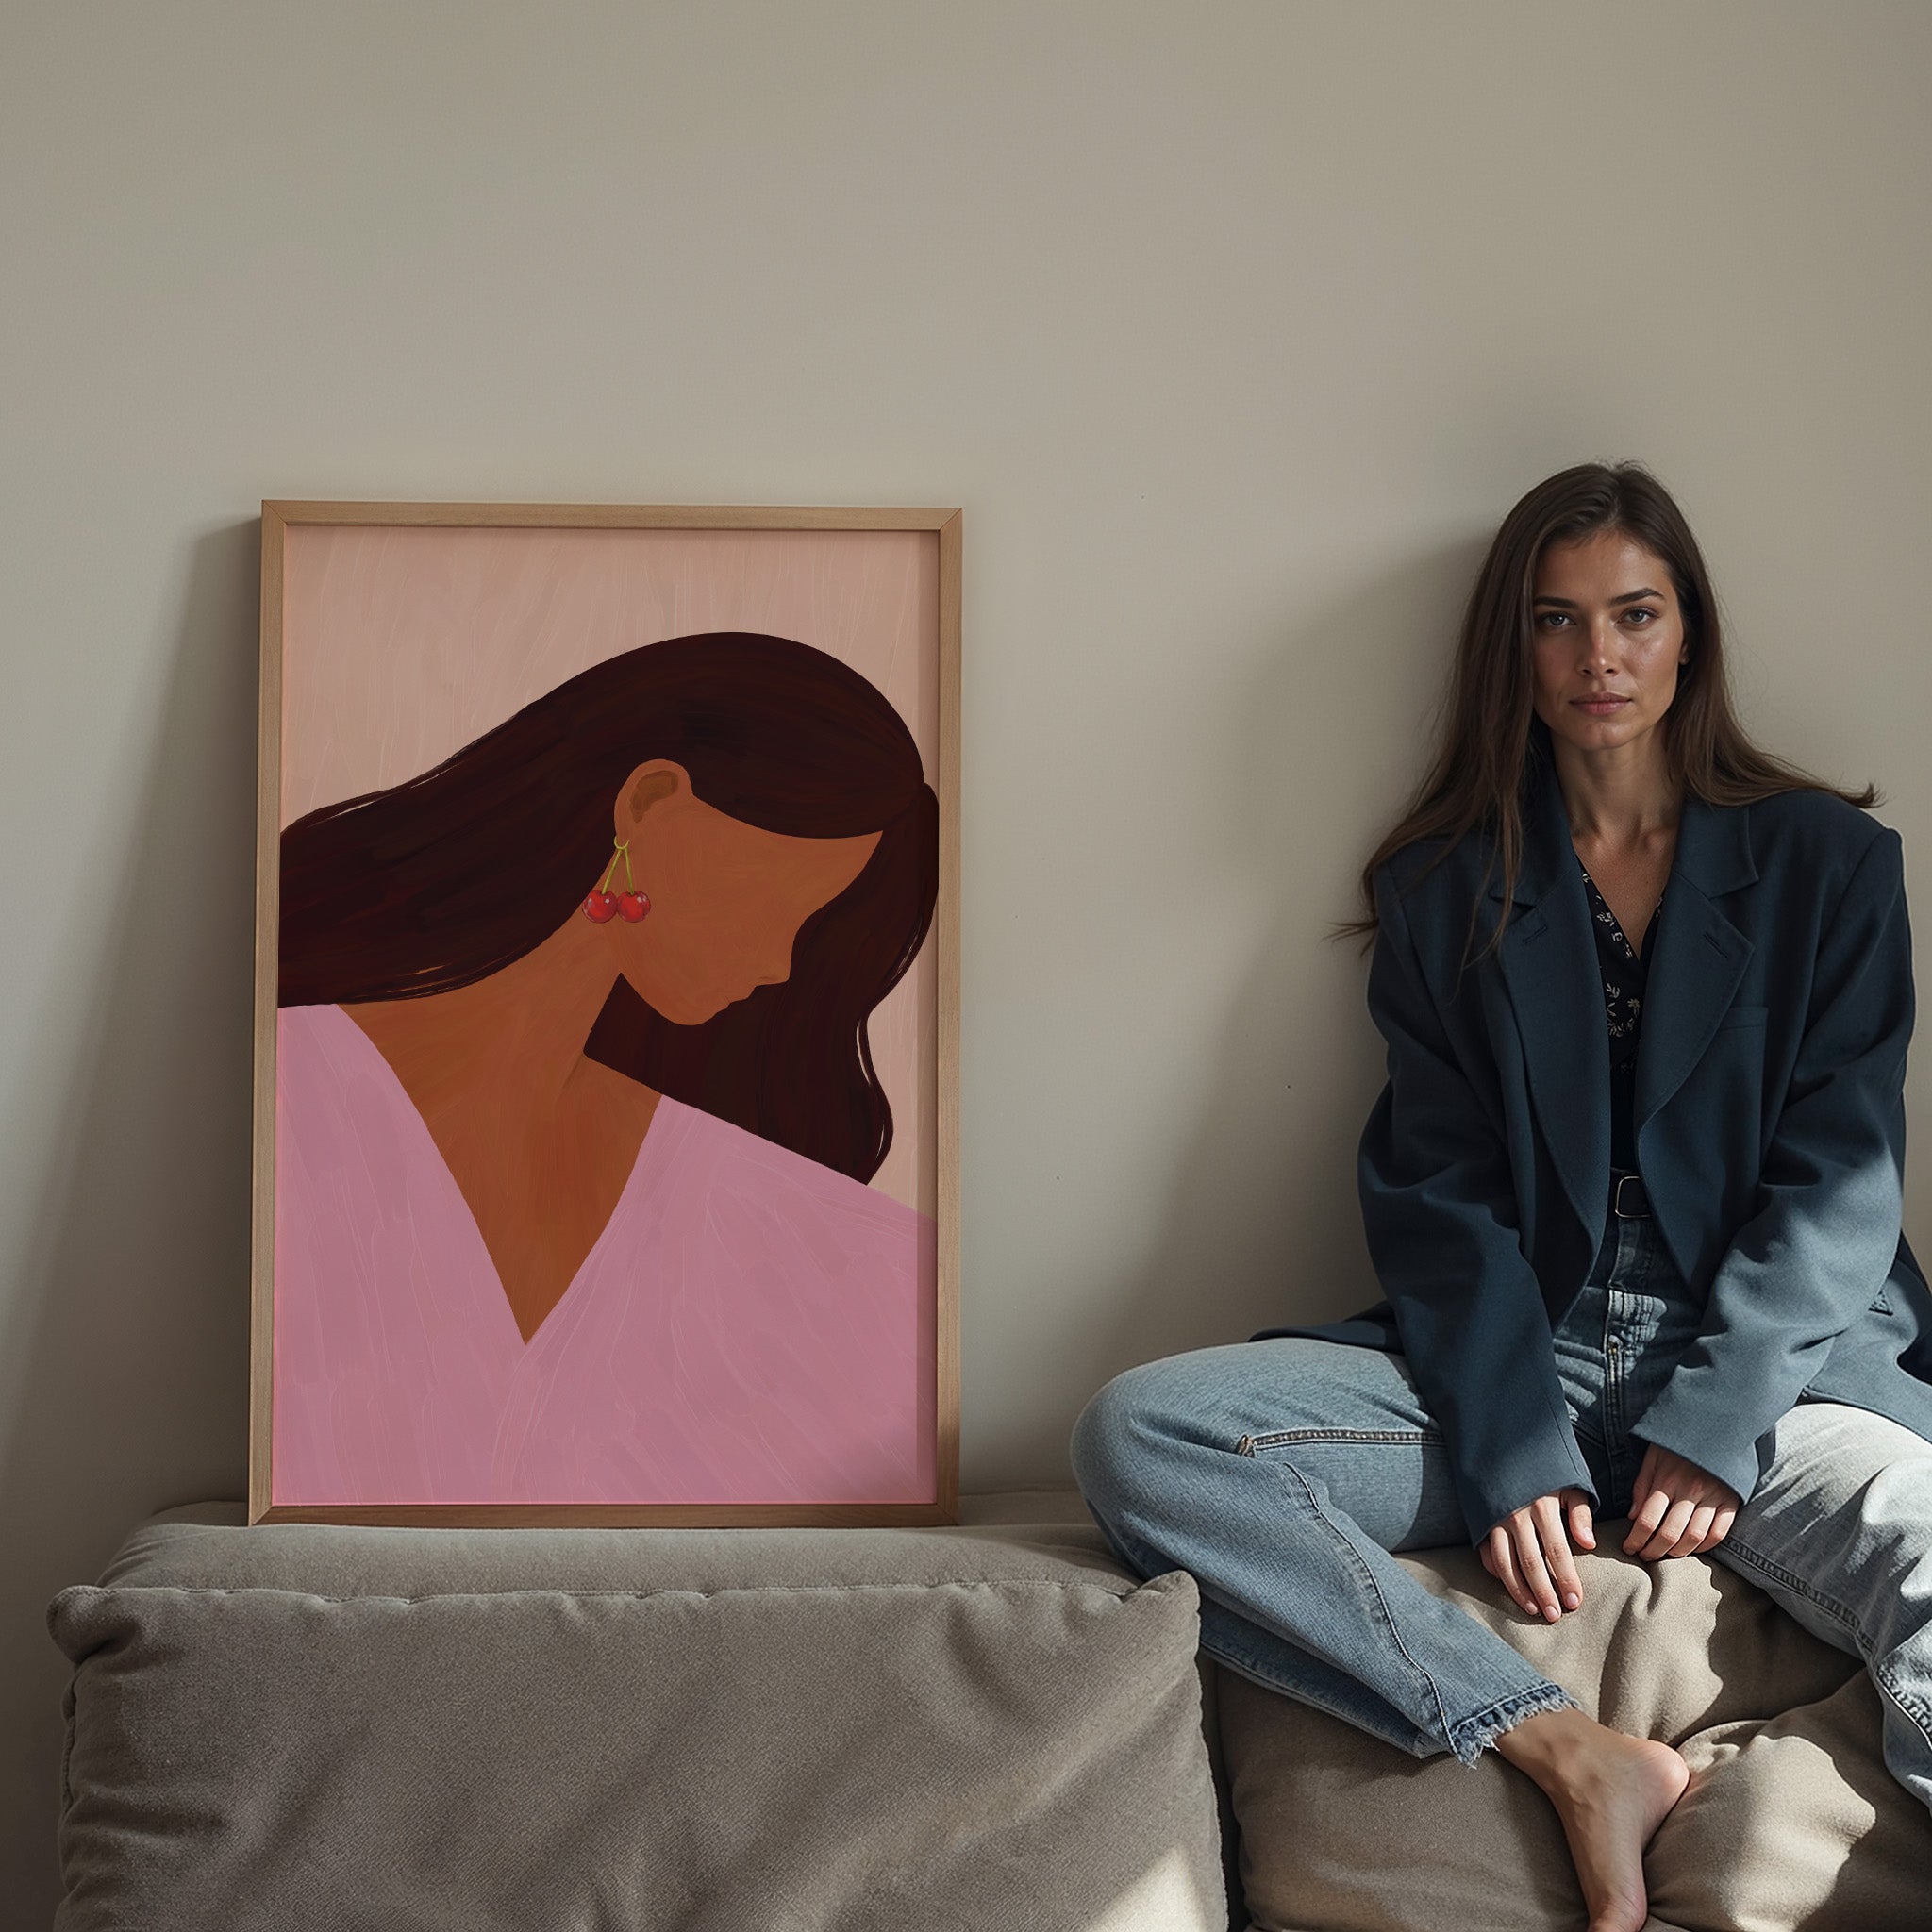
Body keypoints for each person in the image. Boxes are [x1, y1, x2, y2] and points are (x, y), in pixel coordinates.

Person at [1070, 463, 1932, 1932]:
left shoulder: (1829, 865)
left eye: (1635, 614)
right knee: (1141, 1435)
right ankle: (1565, 1750)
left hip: (1773, 1377)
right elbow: (1436, 1192)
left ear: (1689, 633)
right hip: (1525, 1356)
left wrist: (1717, 1419)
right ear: (1513, 649)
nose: (1600, 656)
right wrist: (1513, 1424)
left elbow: (1841, 1174)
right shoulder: (1444, 886)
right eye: (1556, 619)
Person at [273, 631, 940, 1507]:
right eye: (769, 900)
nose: (779, 962)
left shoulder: (812, 1241)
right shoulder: (287, 1099)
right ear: (649, 803)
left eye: (808, 923)